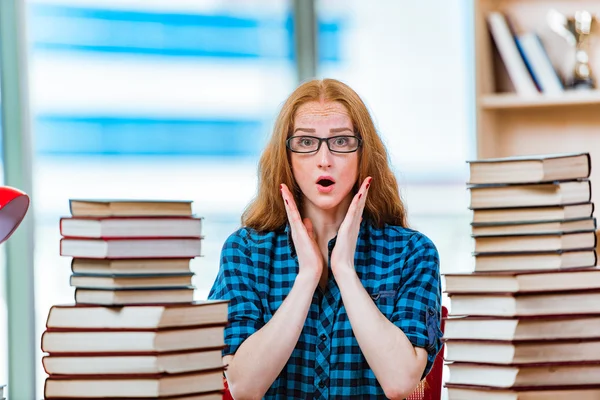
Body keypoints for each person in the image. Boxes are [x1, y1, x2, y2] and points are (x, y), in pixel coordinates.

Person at [208, 78, 443, 399]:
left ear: (363, 153)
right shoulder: (245, 251)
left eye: (342, 141)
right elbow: (244, 386)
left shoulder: (413, 253)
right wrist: (307, 277)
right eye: (306, 143)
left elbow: (400, 381)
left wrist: (344, 270)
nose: (324, 159)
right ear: (286, 156)